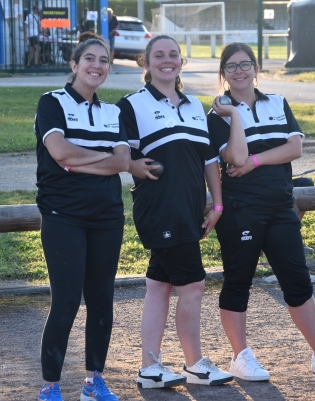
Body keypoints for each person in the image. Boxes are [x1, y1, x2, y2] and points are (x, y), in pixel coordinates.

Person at [207, 42, 315, 381]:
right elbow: (233, 157)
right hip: (241, 209)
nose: (239, 71)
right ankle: (241, 357)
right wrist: (234, 115)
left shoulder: (277, 102)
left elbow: (295, 148)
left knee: (298, 281)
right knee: (238, 282)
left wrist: (256, 161)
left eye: (245, 64)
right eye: (231, 66)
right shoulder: (217, 114)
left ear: (256, 68)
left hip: (279, 205)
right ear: (223, 73)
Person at [116, 35, 233, 389]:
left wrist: (217, 204)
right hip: (159, 207)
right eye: (159, 55)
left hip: (190, 209)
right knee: (194, 283)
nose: (167, 60)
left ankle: (150, 369)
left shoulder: (195, 105)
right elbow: (124, 156)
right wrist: (135, 167)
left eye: (173, 55)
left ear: (181, 62)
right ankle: (195, 365)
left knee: (159, 285)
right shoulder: (131, 105)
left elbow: (209, 160)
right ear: (146, 64)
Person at [34, 32, 129, 401]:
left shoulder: (113, 112)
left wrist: (79, 160)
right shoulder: (52, 102)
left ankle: (94, 381)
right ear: (74, 65)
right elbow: (59, 152)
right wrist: (99, 159)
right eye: (89, 59)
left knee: (102, 299)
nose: (97, 66)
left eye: (103, 60)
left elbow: (123, 161)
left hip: (106, 216)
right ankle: (51, 386)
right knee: (67, 300)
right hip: (63, 215)